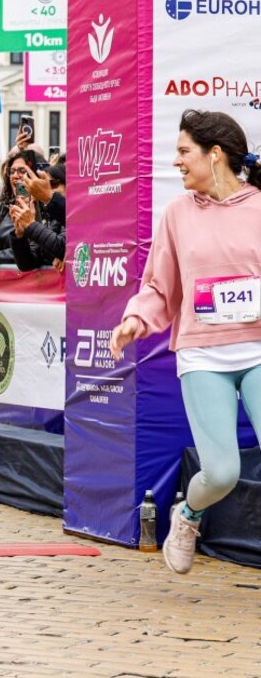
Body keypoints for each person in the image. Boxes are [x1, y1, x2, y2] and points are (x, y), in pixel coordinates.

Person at [111, 109, 261, 575]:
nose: (176, 162)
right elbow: (159, 286)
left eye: (183, 152)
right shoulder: (177, 215)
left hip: (258, 347)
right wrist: (136, 318)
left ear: (214, 155)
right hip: (203, 353)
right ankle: (189, 515)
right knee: (220, 473)